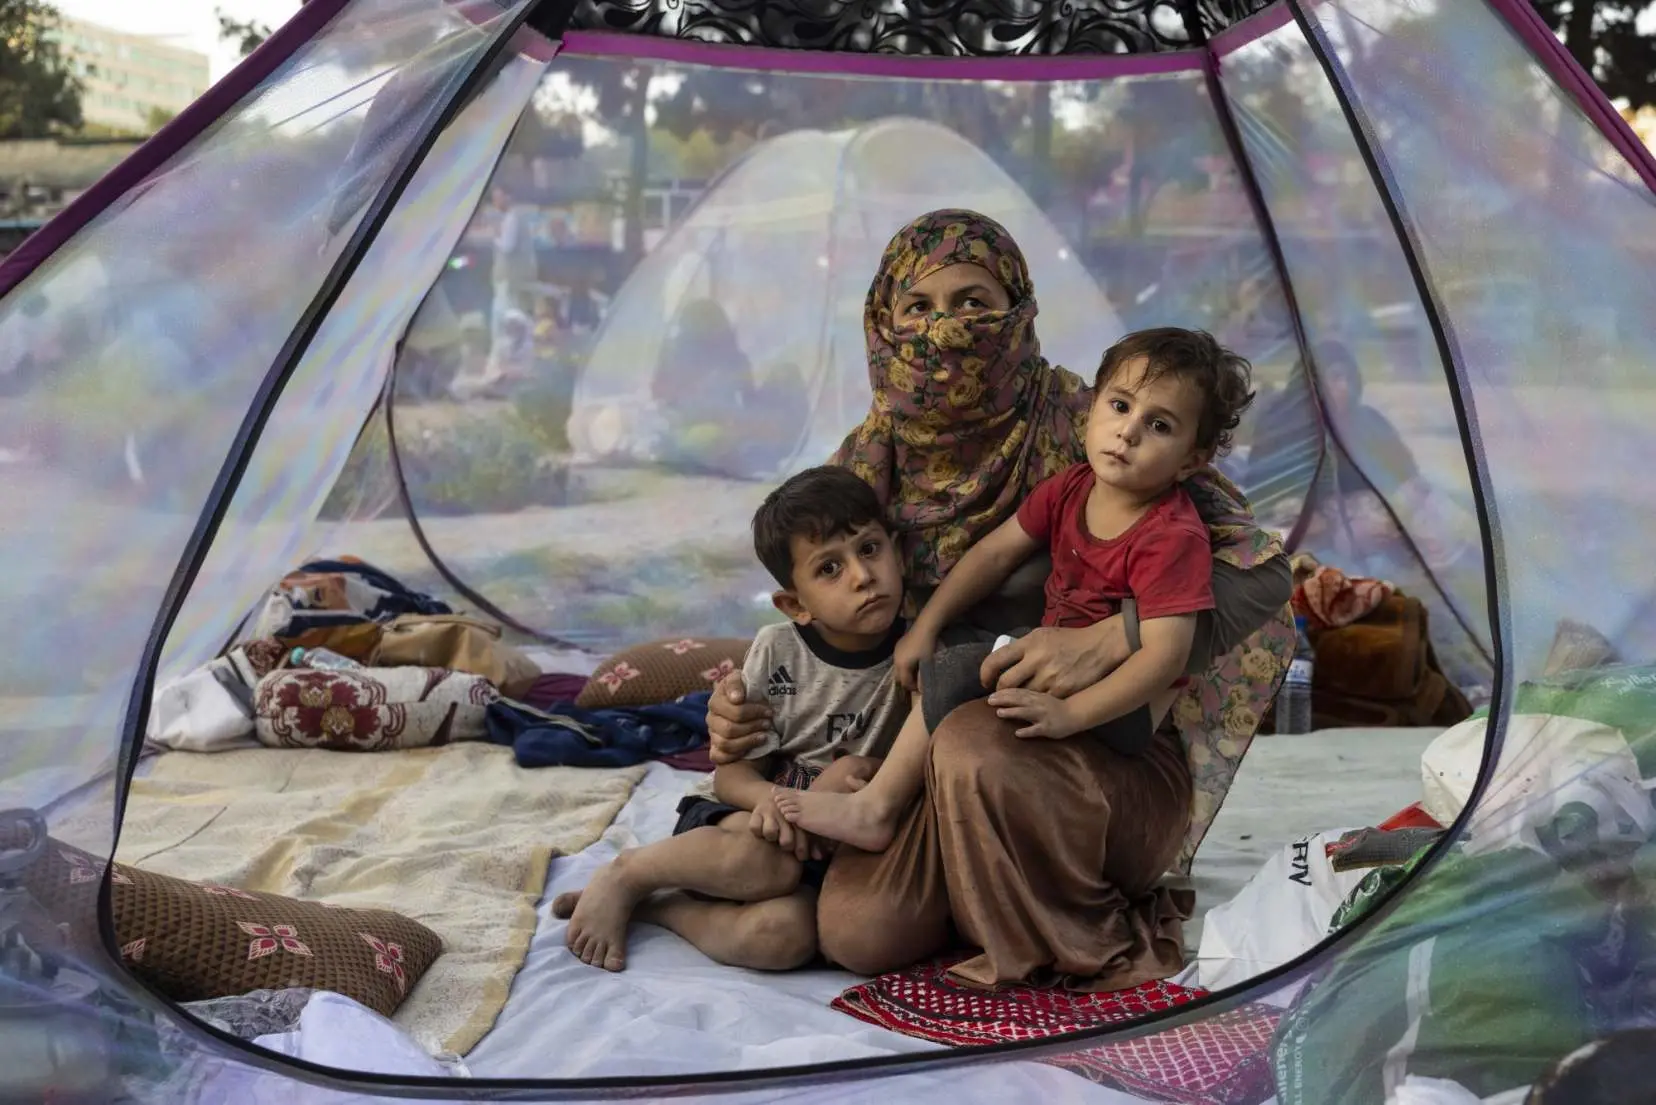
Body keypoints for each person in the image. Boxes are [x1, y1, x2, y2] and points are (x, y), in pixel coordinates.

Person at [707, 209, 1293, 989]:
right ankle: (968, 882)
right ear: (885, 322)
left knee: (974, 741)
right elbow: (826, 613)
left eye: (974, 301)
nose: (948, 329)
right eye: (920, 308)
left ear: (1017, 309)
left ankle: (1039, 909)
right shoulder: (869, 459)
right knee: (856, 932)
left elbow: (1265, 573)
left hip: (1084, 753)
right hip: (929, 746)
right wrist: (742, 710)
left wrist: (1111, 637)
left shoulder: (1088, 431)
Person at [774, 328, 1254, 854]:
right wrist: (927, 627)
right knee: (952, 643)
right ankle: (905, 792)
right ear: (1092, 408)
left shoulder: (1170, 535)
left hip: (1123, 706)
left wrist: (1075, 713)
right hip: (1055, 658)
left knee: (958, 667)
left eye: (1159, 425)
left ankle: (877, 808)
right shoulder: (1071, 488)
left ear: (1191, 460)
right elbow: (992, 554)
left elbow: (1166, 656)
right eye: (1120, 406)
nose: (1128, 432)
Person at [550, 466, 916, 973]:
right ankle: (628, 874)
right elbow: (732, 775)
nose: (861, 576)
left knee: (782, 937)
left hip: (831, 845)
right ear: (795, 604)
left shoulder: (920, 651)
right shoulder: (778, 650)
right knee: (765, 862)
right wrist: (782, 805)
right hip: (743, 823)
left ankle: (663, 906)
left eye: (870, 549)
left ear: (897, 551)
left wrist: (819, 806)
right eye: (829, 569)